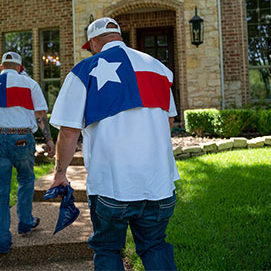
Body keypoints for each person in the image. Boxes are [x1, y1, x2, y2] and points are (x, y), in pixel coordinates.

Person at [49, 17, 179, 270]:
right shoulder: (158, 69)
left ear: (94, 42)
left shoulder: (84, 70)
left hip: (112, 184)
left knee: (108, 249)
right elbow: (169, 120)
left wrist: (60, 173)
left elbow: (68, 132)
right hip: (160, 183)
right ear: (119, 36)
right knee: (155, 245)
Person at [0, 51, 55, 254]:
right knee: (26, 179)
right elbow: (40, 115)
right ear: (19, 67)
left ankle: (2, 240)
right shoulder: (30, 84)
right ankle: (25, 222)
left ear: (1, 66)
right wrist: (49, 139)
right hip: (22, 139)